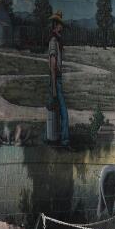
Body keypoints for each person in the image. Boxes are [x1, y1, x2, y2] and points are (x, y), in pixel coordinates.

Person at [46, 11, 70, 147]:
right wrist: (55, 87)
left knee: (52, 109)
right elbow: (53, 65)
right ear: (55, 25)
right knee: (63, 113)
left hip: (56, 79)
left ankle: (50, 137)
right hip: (56, 80)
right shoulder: (53, 42)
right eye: (60, 24)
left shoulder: (57, 41)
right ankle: (65, 141)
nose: (62, 26)